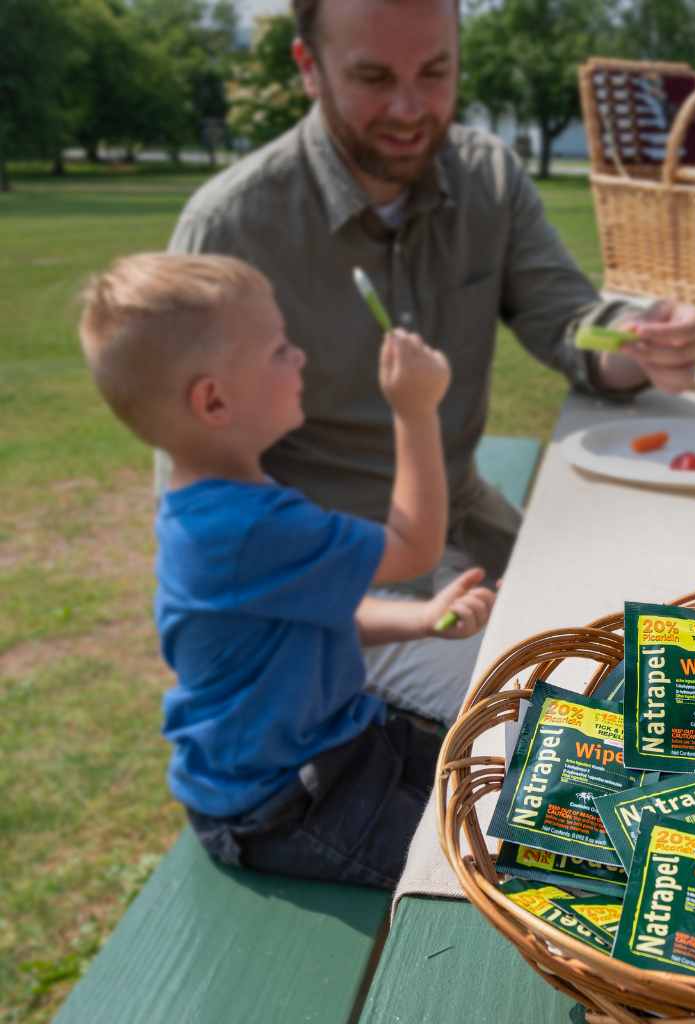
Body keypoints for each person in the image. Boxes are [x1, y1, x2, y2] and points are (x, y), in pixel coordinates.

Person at [165, 0, 695, 721]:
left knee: (675, 646)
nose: (409, 107)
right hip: (341, 582)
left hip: (468, 523)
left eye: (435, 71)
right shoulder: (232, 227)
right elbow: (195, 509)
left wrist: (646, 344)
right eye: (372, 76)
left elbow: (572, 324)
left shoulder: (487, 176)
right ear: (308, 68)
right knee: (572, 723)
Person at [78, 251, 495, 887]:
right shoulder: (244, 527)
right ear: (213, 401)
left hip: (341, 741)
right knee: (473, 865)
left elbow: (314, 609)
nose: (298, 357)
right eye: (278, 351)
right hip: (280, 800)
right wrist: (415, 410)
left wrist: (417, 617)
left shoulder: (226, 504)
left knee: (496, 784)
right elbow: (415, 547)